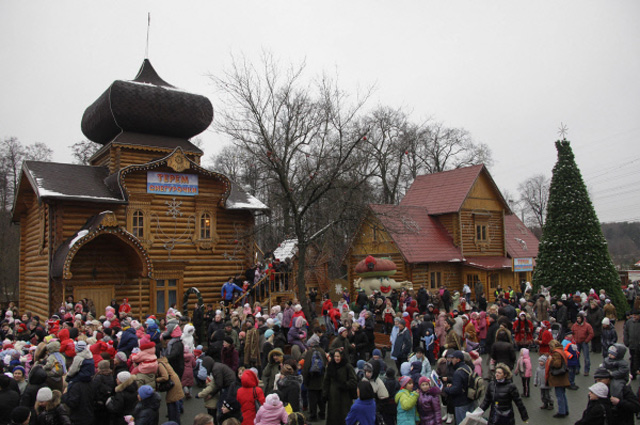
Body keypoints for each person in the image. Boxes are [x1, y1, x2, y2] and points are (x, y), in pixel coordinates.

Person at [323, 350, 357, 425]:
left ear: (342, 357)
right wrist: (325, 394)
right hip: (333, 397)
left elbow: (354, 381)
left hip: (345, 398)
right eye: (335, 356)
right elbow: (326, 381)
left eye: (338, 356)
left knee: (344, 417)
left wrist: (345, 385)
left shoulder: (348, 366)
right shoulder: (330, 366)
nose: (336, 358)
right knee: (333, 417)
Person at [442, 350, 474, 425]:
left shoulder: (458, 372)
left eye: (453, 358)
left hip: (461, 402)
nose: (451, 359)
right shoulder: (467, 368)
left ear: (458, 359)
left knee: (461, 422)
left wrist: (446, 389)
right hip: (469, 399)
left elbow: (455, 390)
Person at [546, 340, 570, 418]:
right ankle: (565, 410)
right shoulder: (561, 351)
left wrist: (550, 360)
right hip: (563, 377)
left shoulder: (556, 353)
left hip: (558, 378)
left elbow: (557, 364)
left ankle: (561, 411)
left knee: (559, 395)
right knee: (563, 394)